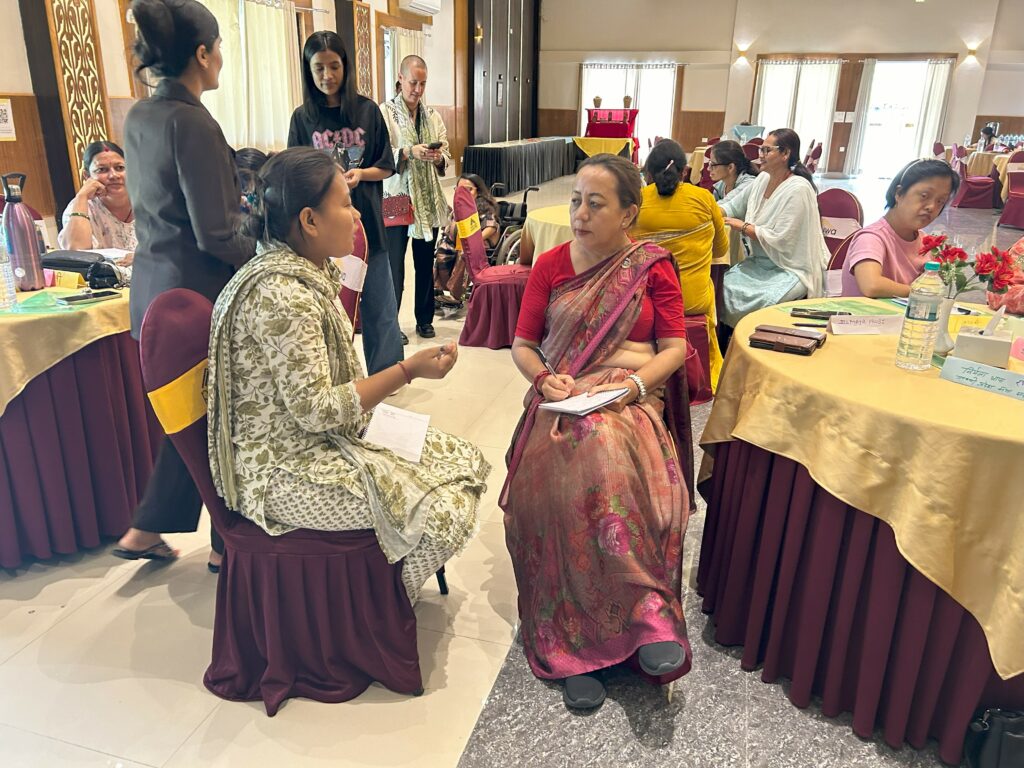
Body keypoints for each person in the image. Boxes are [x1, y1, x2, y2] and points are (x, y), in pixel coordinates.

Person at [207, 147, 489, 603]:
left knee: (462, 462)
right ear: (309, 220)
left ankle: (374, 601)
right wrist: (406, 370)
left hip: (315, 442)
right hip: (279, 471)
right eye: (344, 203)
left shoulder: (304, 269)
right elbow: (318, 411)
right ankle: (374, 610)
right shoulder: (283, 296)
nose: (357, 214)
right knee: (441, 512)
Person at [504, 154, 692, 712]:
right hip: (564, 399)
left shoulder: (652, 265)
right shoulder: (553, 264)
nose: (580, 213)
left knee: (611, 455)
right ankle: (576, 647)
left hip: (630, 396)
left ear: (629, 213)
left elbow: (676, 349)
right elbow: (523, 343)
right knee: (578, 465)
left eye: (596, 203)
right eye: (576, 200)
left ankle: (648, 618)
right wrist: (546, 379)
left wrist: (632, 390)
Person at [114, 0, 255, 570]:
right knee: (223, 418)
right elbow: (218, 234)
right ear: (201, 54)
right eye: (218, 46)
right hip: (194, 296)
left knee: (189, 416)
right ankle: (229, 546)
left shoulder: (140, 116)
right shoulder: (193, 122)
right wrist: (268, 249)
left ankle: (145, 531)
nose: (221, 57)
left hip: (152, 292)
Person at [288, 31, 405, 363]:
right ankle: (333, 374)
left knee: (380, 304)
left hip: (367, 224)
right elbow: (294, 170)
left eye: (334, 66)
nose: (328, 76)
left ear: (346, 67)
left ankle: (387, 373)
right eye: (319, 68)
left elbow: (386, 164)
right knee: (331, 307)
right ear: (308, 72)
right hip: (323, 233)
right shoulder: (302, 118)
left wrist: (359, 175)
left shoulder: (367, 111)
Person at [631, 139, 728, 391]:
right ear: (685, 171)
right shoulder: (704, 198)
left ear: (648, 174)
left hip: (647, 300)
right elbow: (721, 249)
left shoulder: (636, 202)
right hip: (692, 299)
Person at [719, 128, 828, 328]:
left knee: (762, 300)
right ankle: (728, 348)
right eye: (761, 150)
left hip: (789, 267)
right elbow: (733, 206)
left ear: (785, 154)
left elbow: (783, 239)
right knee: (721, 288)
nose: (760, 156)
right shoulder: (762, 179)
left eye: (767, 151)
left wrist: (743, 226)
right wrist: (704, 210)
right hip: (759, 263)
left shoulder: (799, 189)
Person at [381, 54, 451, 339]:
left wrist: (435, 157)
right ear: (400, 78)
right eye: (413, 83)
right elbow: (381, 155)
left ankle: (424, 319)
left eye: (423, 84)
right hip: (396, 196)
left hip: (427, 200)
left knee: (424, 264)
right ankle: (391, 325)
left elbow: (446, 153)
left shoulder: (432, 116)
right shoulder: (385, 113)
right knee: (394, 267)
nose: (418, 90)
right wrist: (409, 152)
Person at [842, 159, 959, 298]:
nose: (931, 207)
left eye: (940, 201)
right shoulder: (871, 238)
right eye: (924, 196)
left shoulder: (926, 243)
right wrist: (924, 293)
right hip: (862, 319)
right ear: (899, 193)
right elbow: (871, 285)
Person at [57, 141, 137, 260]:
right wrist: (81, 196)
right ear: (87, 176)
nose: (113, 175)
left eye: (120, 168)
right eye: (102, 170)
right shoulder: (82, 207)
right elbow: (76, 253)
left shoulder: (148, 202)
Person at [433, 173, 500, 306]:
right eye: (459, 190)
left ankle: (456, 294)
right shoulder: (459, 207)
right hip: (457, 242)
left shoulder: (485, 207)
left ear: (478, 191)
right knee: (442, 250)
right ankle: (438, 287)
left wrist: (473, 241)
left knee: (464, 255)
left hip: (479, 243)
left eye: (469, 189)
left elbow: (491, 227)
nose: (464, 193)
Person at [708, 140, 757, 205]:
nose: (708, 169)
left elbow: (724, 206)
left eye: (713, 165)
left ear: (730, 167)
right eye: (709, 163)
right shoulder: (720, 187)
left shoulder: (748, 184)